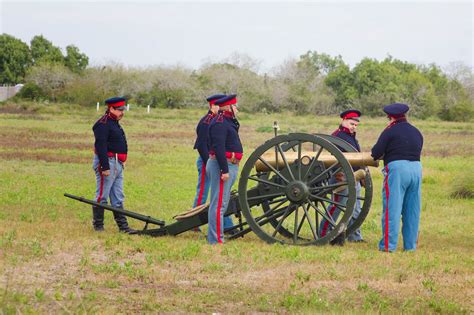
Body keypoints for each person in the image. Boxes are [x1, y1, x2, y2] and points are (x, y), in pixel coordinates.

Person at [371, 103, 423, 252]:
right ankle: (410, 247)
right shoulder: (416, 131)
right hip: (416, 169)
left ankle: (388, 246)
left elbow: (376, 152)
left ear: (391, 117)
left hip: (398, 169)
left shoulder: (390, 131)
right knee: (412, 210)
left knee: (392, 209)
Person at [319, 109, 365, 243]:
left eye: (356, 125)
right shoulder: (337, 137)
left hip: (354, 176)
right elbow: (332, 159)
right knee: (337, 206)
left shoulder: (352, 137)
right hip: (340, 176)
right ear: (343, 121)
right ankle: (323, 233)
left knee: (356, 208)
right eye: (351, 124)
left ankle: (354, 236)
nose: (353, 127)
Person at [91, 96, 136, 234]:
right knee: (102, 196)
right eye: (119, 109)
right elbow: (101, 146)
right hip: (108, 163)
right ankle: (98, 226)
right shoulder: (103, 124)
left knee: (118, 196)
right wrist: (105, 167)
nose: (122, 112)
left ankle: (123, 227)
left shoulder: (114, 122)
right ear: (111, 108)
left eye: (123, 109)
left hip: (117, 163)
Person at [192, 94, 235, 232]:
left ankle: (227, 225)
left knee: (219, 195)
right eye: (218, 106)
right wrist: (209, 163)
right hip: (207, 160)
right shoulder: (206, 121)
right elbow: (200, 145)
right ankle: (193, 222)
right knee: (203, 193)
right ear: (213, 106)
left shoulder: (216, 120)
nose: (221, 109)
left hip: (214, 160)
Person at [206, 94, 242, 244]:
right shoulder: (220, 122)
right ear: (228, 107)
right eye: (235, 106)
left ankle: (216, 237)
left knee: (221, 204)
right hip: (222, 166)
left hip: (228, 164)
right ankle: (216, 240)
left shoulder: (227, 121)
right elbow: (219, 148)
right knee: (218, 205)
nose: (237, 108)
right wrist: (224, 170)